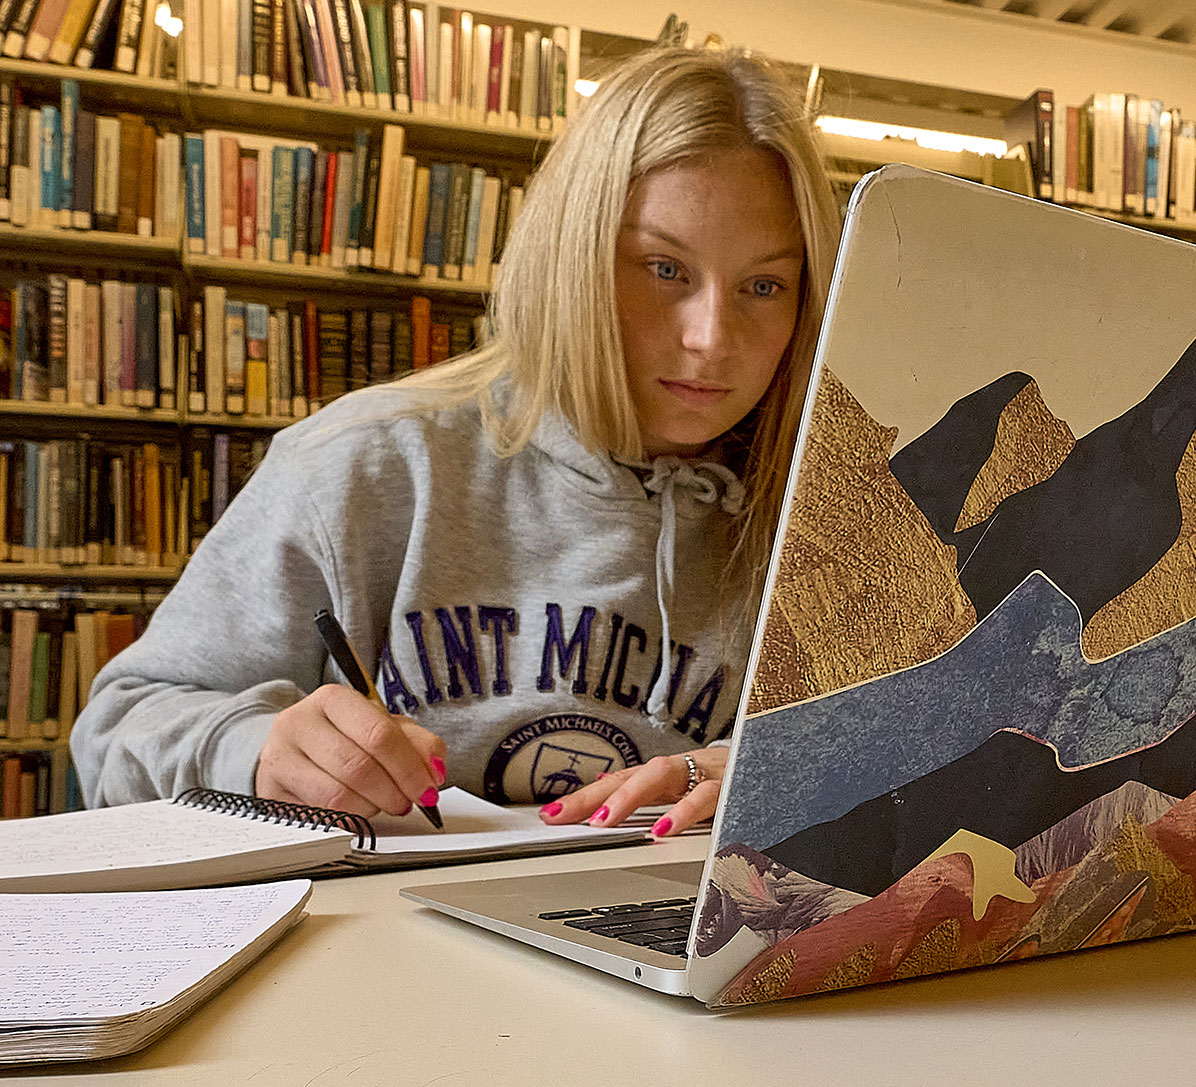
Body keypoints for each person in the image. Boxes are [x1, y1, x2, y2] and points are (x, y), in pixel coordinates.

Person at [71, 46, 841, 836]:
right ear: (574, 259)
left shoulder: (830, 510)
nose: (712, 337)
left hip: (681, 952)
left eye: (763, 286)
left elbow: (923, 774)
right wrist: (252, 750)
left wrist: (798, 772)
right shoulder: (364, 464)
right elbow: (113, 736)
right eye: (663, 268)